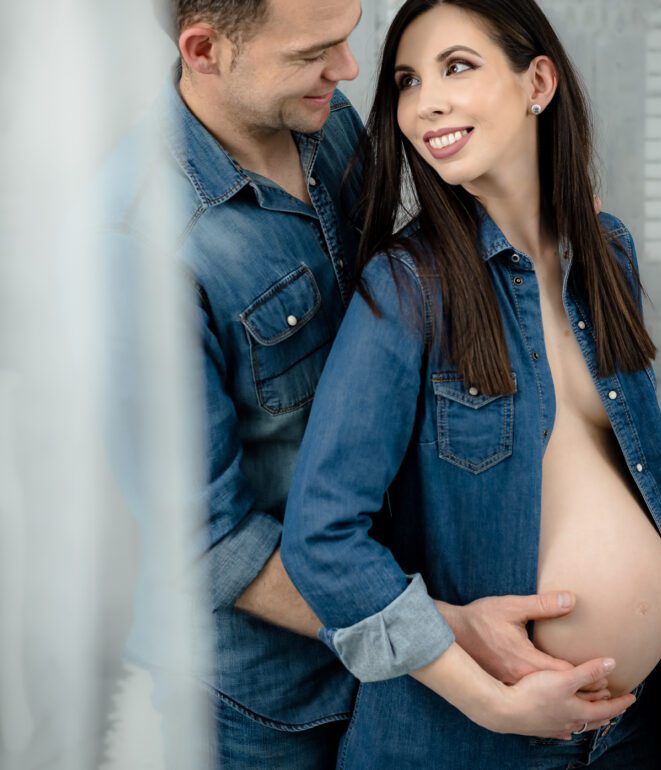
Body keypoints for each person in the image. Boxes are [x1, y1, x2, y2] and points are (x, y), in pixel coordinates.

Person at [102, 1, 607, 767]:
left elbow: (415, 284)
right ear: (205, 50)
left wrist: (547, 223)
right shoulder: (136, 247)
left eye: (347, 39)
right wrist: (438, 636)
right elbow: (206, 541)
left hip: (409, 627)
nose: (348, 72)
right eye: (315, 53)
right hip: (268, 702)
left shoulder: (321, 117)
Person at [281, 0, 661, 767]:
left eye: (457, 67)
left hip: (638, 732)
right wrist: (489, 697)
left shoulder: (608, 254)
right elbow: (322, 537)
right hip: (479, 743)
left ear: (537, 80)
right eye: (408, 81)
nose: (425, 102)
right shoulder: (407, 290)